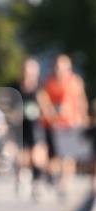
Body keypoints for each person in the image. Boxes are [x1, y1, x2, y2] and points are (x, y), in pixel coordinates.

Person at [39, 53, 88, 199]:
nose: (59, 69)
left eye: (63, 66)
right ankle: (52, 176)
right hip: (53, 125)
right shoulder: (48, 82)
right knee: (54, 156)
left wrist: (82, 116)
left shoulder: (75, 81)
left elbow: (80, 99)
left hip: (71, 123)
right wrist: (50, 114)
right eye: (57, 66)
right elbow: (44, 101)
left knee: (69, 156)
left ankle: (64, 184)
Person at [12, 57, 46, 199]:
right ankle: (21, 178)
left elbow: (46, 108)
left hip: (35, 126)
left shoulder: (39, 89)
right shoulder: (15, 87)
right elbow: (7, 106)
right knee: (21, 156)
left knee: (36, 157)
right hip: (20, 127)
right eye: (26, 69)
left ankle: (36, 183)